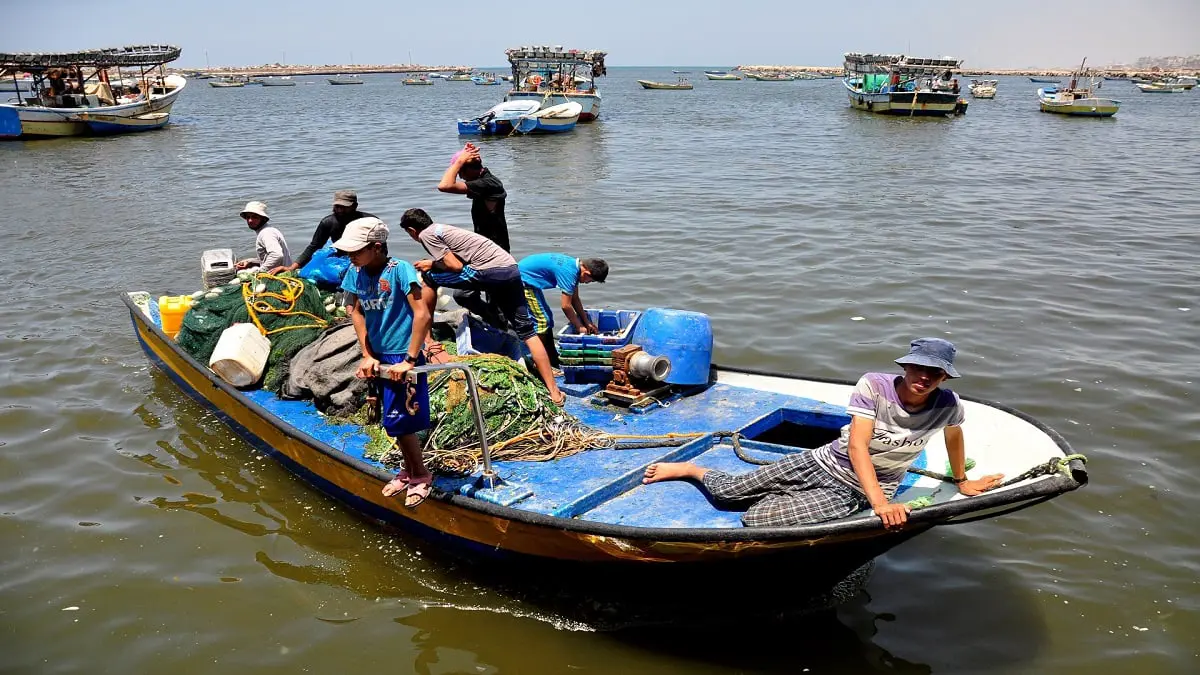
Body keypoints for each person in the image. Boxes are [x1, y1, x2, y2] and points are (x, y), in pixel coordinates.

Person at [642, 338, 1005, 529]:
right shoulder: (875, 385)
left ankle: (797, 496)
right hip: (826, 461)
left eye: (935, 373)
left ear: (944, 378)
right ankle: (692, 470)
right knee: (729, 491)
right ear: (906, 365)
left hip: (857, 488)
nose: (924, 378)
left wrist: (962, 480)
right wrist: (881, 506)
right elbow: (859, 446)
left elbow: (953, 435)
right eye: (918, 368)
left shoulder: (947, 404)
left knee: (756, 517)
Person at [400, 208, 566, 405]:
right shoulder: (443, 229)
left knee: (428, 279)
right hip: (511, 269)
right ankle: (554, 391)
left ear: (412, 230)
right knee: (527, 332)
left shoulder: (427, 234)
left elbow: (455, 266)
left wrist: (431, 264)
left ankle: (427, 339)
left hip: (488, 272)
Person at [333, 216, 436, 507]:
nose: (351, 256)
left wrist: (410, 359)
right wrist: (367, 353)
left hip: (403, 354)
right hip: (378, 354)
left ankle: (421, 475)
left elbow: (423, 314)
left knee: (402, 420)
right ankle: (408, 470)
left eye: (357, 250)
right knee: (392, 420)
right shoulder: (356, 272)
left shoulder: (400, 270)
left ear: (377, 247)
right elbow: (355, 312)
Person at [516, 253, 608, 369]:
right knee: (542, 321)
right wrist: (579, 326)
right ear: (587, 273)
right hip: (522, 281)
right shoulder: (569, 273)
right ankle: (538, 364)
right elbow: (565, 306)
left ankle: (551, 356)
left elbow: (575, 299)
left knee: (547, 317)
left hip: (530, 280)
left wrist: (586, 321)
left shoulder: (574, 267)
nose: (586, 283)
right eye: (589, 281)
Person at [273, 190, 375, 274]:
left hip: (367, 260)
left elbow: (381, 248)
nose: (339, 210)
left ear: (354, 206)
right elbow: (314, 246)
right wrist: (291, 268)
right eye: (337, 206)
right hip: (343, 259)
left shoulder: (370, 222)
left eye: (344, 207)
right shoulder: (328, 223)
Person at [437, 143, 509, 252]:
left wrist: (459, 161)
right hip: (487, 248)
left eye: (460, 172)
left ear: (468, 169)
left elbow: (444, 186)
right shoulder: (485, 181)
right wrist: (463, 155)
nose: (460, 177)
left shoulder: (488, 183)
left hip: (494, 253)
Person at [235, 201, 292, 271]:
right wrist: (250, 262)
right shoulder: (268, 230)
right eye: (248, 217)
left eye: (254, 217)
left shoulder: (266, 233)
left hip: (280, 276)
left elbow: (276, 255)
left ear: (263, 218)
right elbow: (269, 257)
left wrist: (260, 272)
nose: (250, 220)